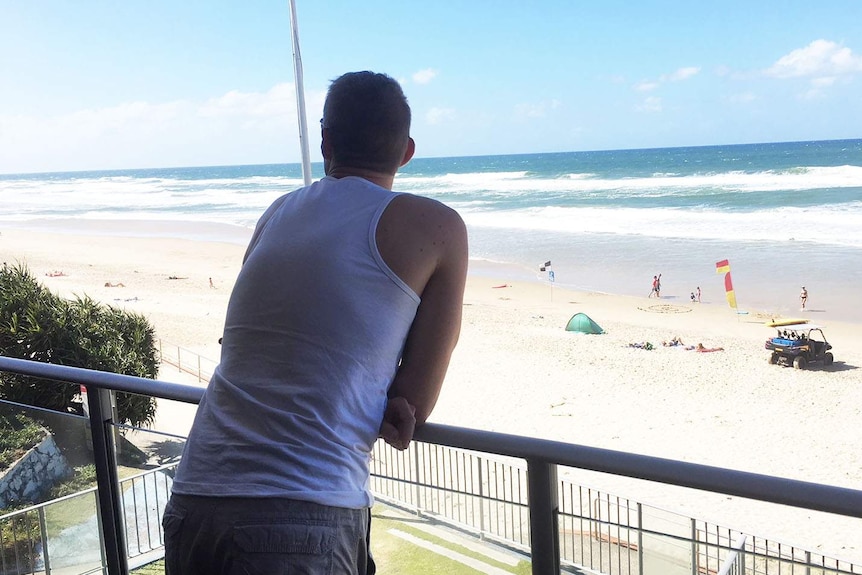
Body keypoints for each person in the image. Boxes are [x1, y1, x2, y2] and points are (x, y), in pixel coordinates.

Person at [162, 71, 469, 575]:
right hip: (306, 508)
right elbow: (414, 403)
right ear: (408, 151)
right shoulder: (438, 227)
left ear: (325, 140)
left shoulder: (278, 212)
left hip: (197, 499)